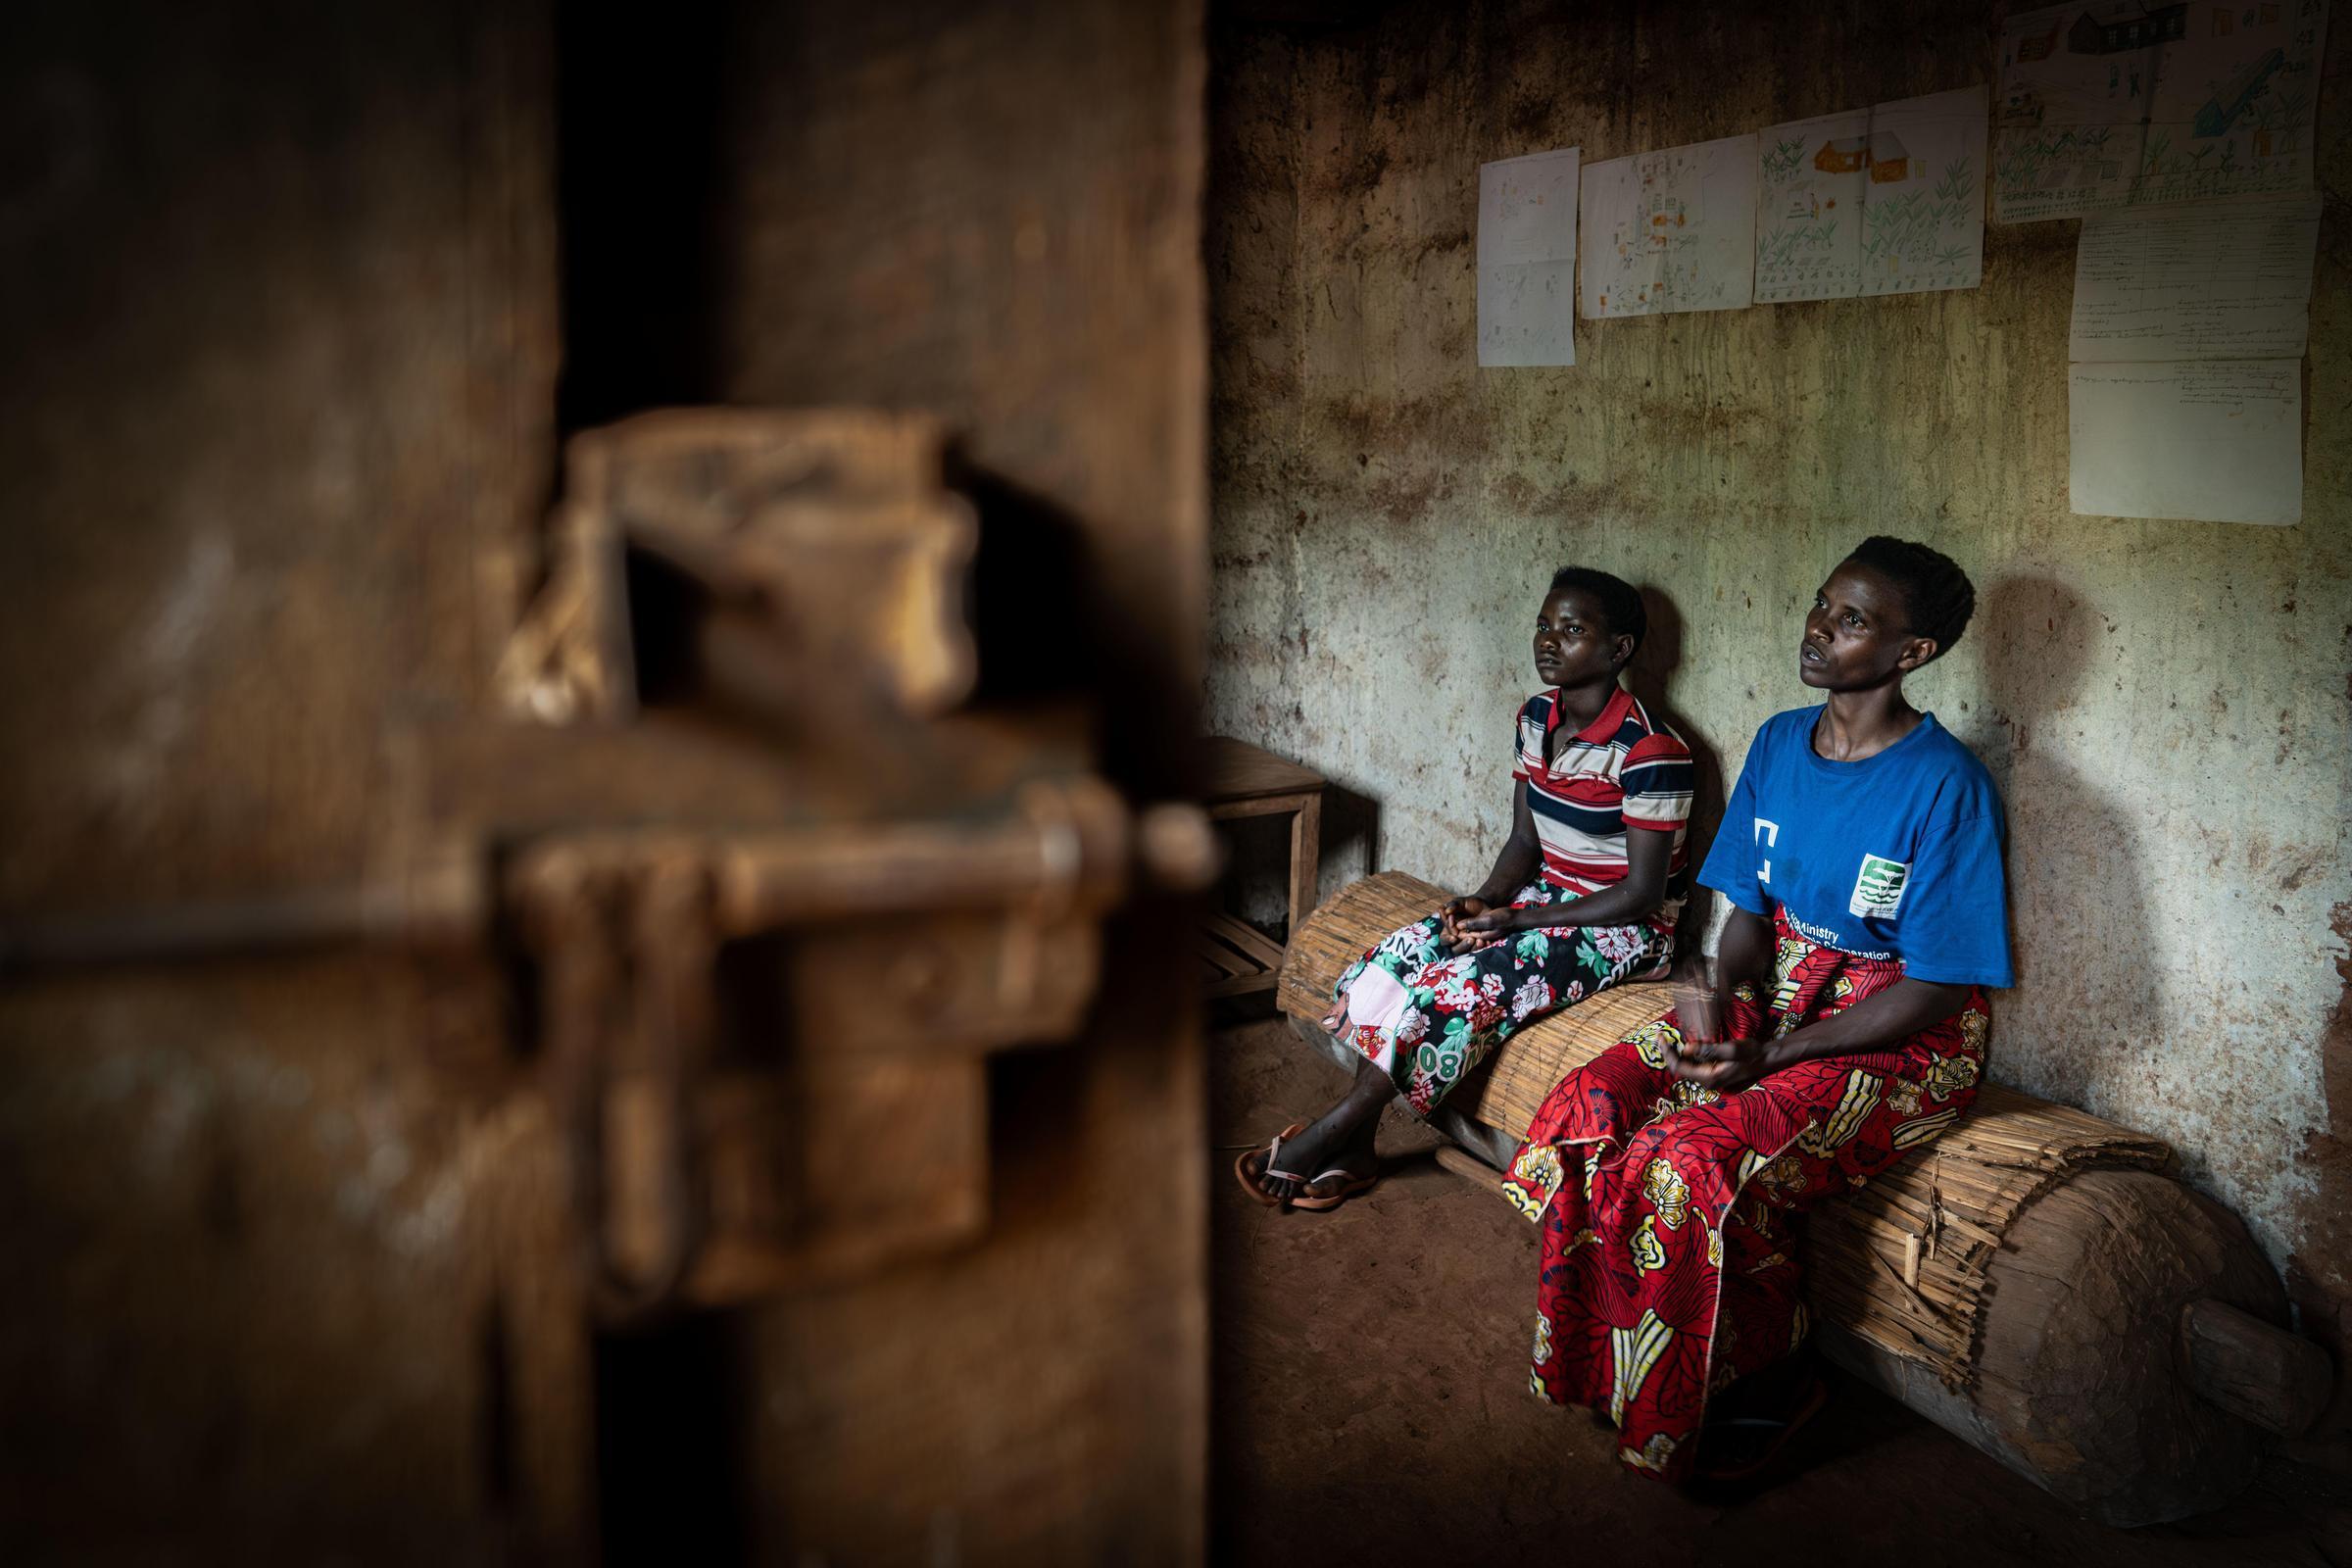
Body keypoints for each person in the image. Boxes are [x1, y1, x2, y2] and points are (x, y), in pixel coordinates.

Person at [1502, 536, 2009, 1486]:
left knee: (1686, 1159)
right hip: (1777, 997)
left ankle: (1770, 1380)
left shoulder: (1947, 784)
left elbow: (1937, 981)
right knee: (1597, 1097)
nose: (1820, 629)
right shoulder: (1782, 742)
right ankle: (1602, 1369)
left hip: (1899, 1036)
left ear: (1913, 652)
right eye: (1823, 605)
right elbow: (1745, 920)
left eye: (1854, 619)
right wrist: (1717, 991)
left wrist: (1772, 1052)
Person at [1235, 566, 1694, 1210]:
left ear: (1619, 650)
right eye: (1543, 625)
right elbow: (1523, 846)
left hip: (1624, 929)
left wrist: (1516, 924)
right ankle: (1359, 1146)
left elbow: (1644, 893)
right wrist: (1481, 902)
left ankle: (1327, 1135)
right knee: (1395, 962)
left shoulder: (1650, 752)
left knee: (1447, 993)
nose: (1548, 640)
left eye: (1572, 629)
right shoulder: (1536, 719)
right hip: (1544, 898)